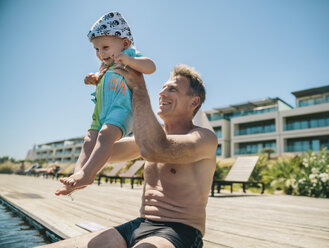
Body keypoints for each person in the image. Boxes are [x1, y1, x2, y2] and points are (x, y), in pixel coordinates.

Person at [45, 64, 217, 248]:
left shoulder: (204, 138)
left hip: (181, 230)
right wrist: (105, 96)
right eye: (163, 88)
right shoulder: (147, 140)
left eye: (172, 89)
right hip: (140, 224)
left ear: (194, 102)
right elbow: (101, 148)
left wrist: (138, 88)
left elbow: (155, 149)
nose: (162, 93)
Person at [58, 12, 156, 189]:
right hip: (100, 112)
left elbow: (151, 66)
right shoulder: (105, 66)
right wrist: (94, 78)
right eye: (96, 49)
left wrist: (129, 59)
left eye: (105, 47)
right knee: (89, 140)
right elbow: (105, 79)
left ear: (124, 43)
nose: (100, 53)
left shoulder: (129, 54)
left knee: (104, 136)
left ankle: (88, 174)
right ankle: (78, 173)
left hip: (122, 109)